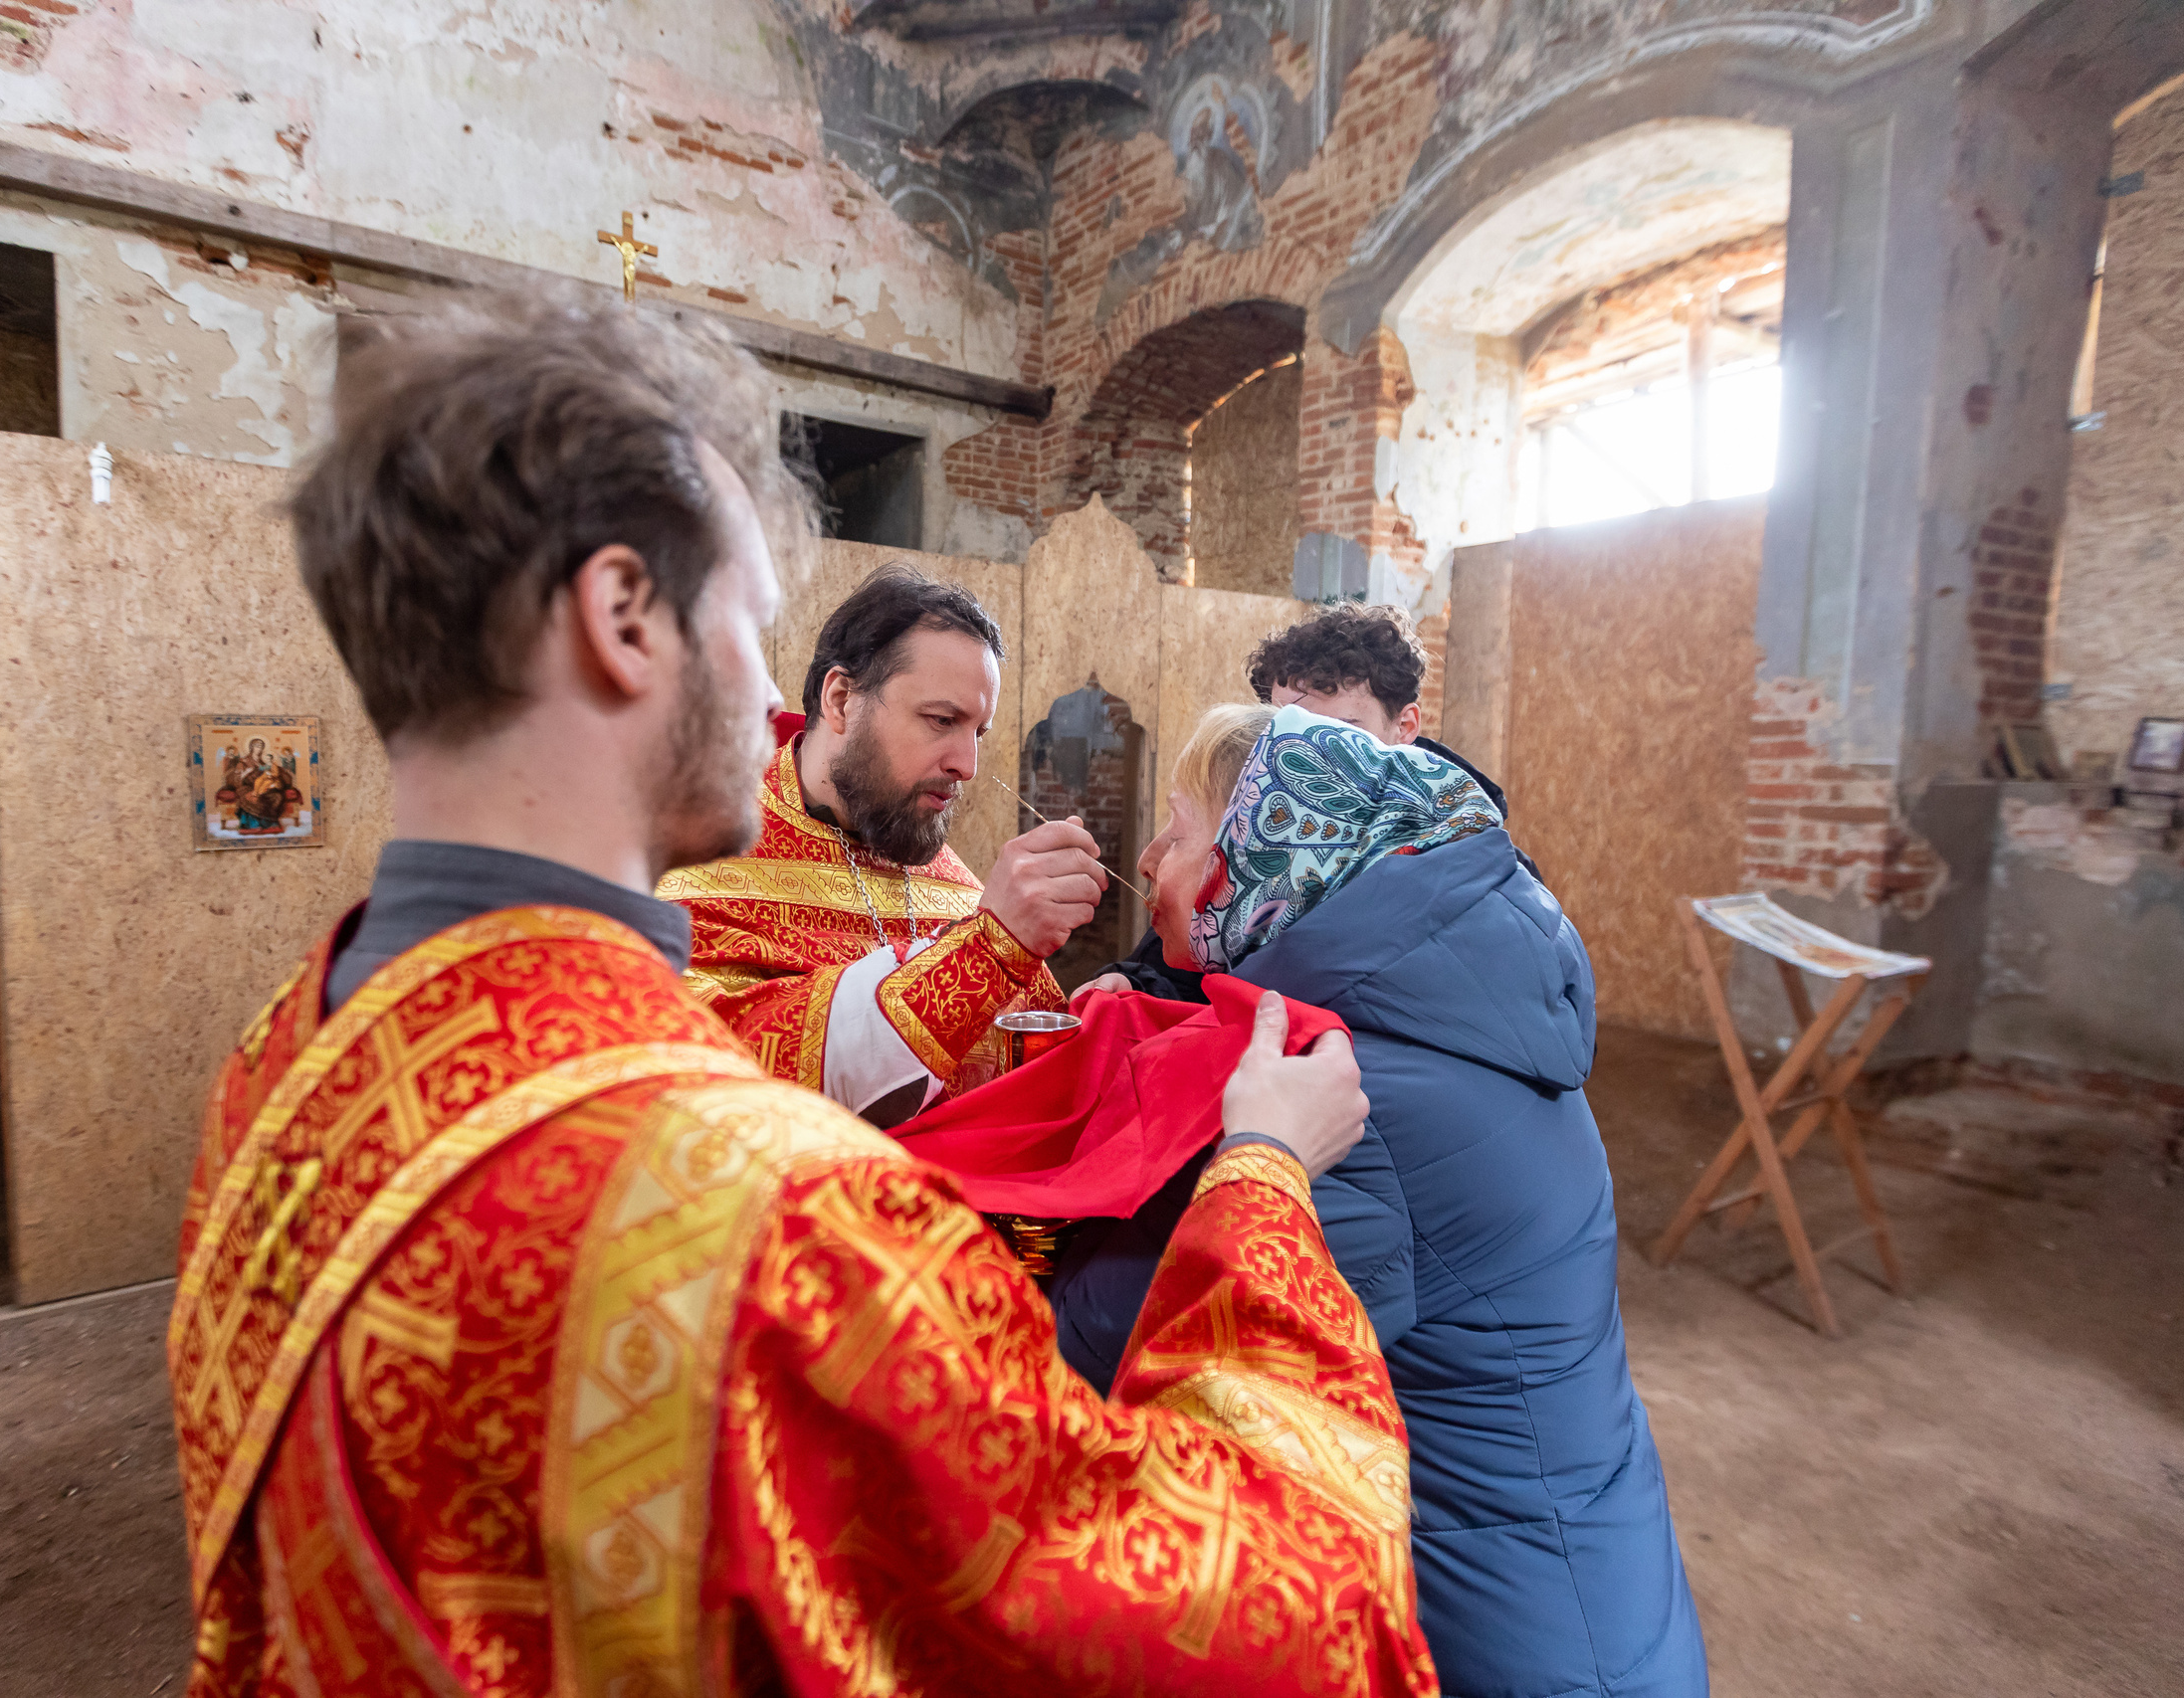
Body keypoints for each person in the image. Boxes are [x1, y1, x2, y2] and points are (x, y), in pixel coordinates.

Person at [168, 295, 1446, 1698]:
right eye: (753, 626)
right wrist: (1261, 1175)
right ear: (622, 619)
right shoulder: (781, 1219)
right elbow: (1262, 1618)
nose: (768, 694)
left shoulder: (289, 1042)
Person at [1053, 703, 1709, 1698]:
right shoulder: (1449, 1016)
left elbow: (1132, 1335)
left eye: (1178, 829)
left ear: (1262, 856)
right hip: (1566, 1573)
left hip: (1510, 1637)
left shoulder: (1363, 1103)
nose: (1146, 858)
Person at [659, 566, 1106, 1127]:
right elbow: (714, 1074)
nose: (965, 765)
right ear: (842, 700)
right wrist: (988, 949)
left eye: (978, 733)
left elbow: (1039, 1082)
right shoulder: (701, 857)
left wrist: (1105, 1011)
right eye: (941, 720)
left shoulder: (952, 880)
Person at [1096, 600, 1510, 1003]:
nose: (1297, 763)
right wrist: (1135, 989)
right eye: (1277, 733)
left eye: (1334, 733)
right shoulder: (1240, 854)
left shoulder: (1480, 874)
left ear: (1404, 726)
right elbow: (1182, 977)